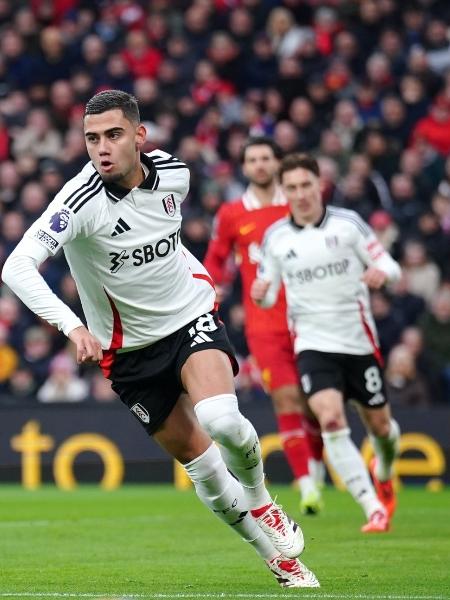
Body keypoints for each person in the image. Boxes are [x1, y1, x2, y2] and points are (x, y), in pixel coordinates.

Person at [1, 91, 319, 588]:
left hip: (188, 315)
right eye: (91, 138)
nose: (101, 148)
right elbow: (16, 266)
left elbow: (163, 239)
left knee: (221, 419)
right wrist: (72, 325)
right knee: (206, 471)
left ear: (139, 136)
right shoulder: (78, 202)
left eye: (113, 135)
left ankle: (263, 502)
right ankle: (279, 560)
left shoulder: (175, 175)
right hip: (126, 353)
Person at [251, 153, 402, 533]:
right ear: (283, 193)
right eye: (292, 188)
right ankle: (373, 508)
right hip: (313, 344)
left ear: (320, 185)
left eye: (306, 185)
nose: (300, 194)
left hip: (358, 342)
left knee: (381, 428)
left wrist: (381, 273)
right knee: (330, 418)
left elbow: (390, 265)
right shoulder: (277, 238)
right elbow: (267, 295)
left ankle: (383, 470)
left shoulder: (348, 225)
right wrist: (260, 294)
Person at [204, 136, 324, 515]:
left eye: (265, 158)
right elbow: (216, 261)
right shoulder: (231, 214)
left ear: (277, 163)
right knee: (286, 399)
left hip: (311, 318)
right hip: (264, 325)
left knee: (317, 407)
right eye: (252, 159)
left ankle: (315, 472)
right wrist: (209, 297)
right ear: (244, 167)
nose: (259, 165)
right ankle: (307, 486)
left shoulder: (297, 208)